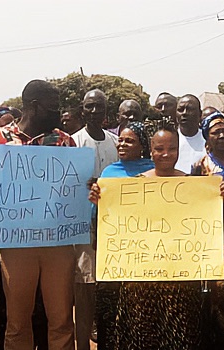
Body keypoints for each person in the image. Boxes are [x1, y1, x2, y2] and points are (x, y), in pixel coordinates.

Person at [89, 124, 224, 349]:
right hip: (140, 284)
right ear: (151, 150)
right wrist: (102, 202)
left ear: (179, 150)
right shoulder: (132, 186)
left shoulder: (195, 186)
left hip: (182, 284)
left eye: (171, 148)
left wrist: (220, 203)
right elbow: (112, 229)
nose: (165, 154)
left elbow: (213, 232)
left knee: (182, 337)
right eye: (159, 149)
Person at [0, 80, 76, 350]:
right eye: (53, 108)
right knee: (17, 320)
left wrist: (88, 187)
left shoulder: (65, 142)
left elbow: (75, 189)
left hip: (57, 241)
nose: (58, 114)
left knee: (61, 319)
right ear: (34, 107)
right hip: (16, 243)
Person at [91, 121, 154, 349]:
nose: (122, 145)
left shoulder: (155, 172)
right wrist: (96, 198)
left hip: (146, 257)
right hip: (116, 258)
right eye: (121, 140)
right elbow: (98, 217)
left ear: (143, 146)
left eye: (130, 141)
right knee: (111, 313)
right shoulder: (109, 173)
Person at [71, 89, 119, 350]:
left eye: (98, 107)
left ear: (105, 111)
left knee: (107, 285)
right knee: (84, 285)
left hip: (112, 226)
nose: (93, 111)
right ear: (82, 110)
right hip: (82, 226)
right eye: (89, 107)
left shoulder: (116, 142)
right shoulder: (74, 142)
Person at [191, 112, 224, 349]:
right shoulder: (200, 167)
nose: (222, 135)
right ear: (206, 139)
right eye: (215, 132)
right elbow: (195, 204)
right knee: (221, 290)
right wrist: (222, 196)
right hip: (220, 239)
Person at [174, 94, 206, 173]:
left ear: (200, 114)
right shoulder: (170, 140)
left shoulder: (208, 140)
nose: (184, 113)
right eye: (180, 110)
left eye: (190, 109)